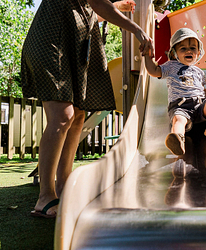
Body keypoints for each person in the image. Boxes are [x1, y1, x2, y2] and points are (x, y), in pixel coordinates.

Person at [21, 0, 153, 218]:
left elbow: (93, 11)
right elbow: (100, 4)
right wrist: (137, 30)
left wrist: (116, 7)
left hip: (69, 46)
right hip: (51, 43)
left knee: (79, 114)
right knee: (63, 116)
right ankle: (45, 195)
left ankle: (64, 186)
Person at [144, 27, 206, 156]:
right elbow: (153, 71)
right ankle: (178, 138)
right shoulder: (171, 65)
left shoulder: (199, 71)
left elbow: (203, 89)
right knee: (179, 119)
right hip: (181, 106)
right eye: (183, 48)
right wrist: (147, 56)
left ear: (198, 52)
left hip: (200, 105)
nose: (188, 51)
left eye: (192, 48)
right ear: (174, 53)